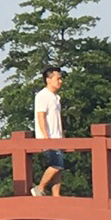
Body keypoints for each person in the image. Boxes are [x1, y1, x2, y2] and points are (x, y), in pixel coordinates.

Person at [32, 65, 66, 196]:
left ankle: (56, 195)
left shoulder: (56, 98)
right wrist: (46, 138)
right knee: (56, 165)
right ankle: (39, 188)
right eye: (58, 79)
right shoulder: (42, 96)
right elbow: (41, 116)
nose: (60, 81)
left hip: (57, 138)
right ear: (48, 79)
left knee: (59, 168)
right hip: (49, 138)